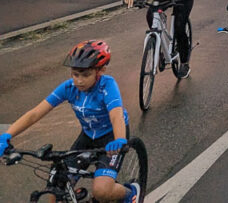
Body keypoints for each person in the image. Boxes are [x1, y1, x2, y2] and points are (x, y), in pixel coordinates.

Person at [0, 41, 140, 203]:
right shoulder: (69, 88)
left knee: (101, 191)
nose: (79, 81)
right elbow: (35, 113)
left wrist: (120, 140)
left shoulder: (107, 85)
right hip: (87, 136)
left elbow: (116, 115)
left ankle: (130, 193)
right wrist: (7, 135)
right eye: (75, 74)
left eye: (85, 75)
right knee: (55, 189)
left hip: (111, 136)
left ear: (100, 71)